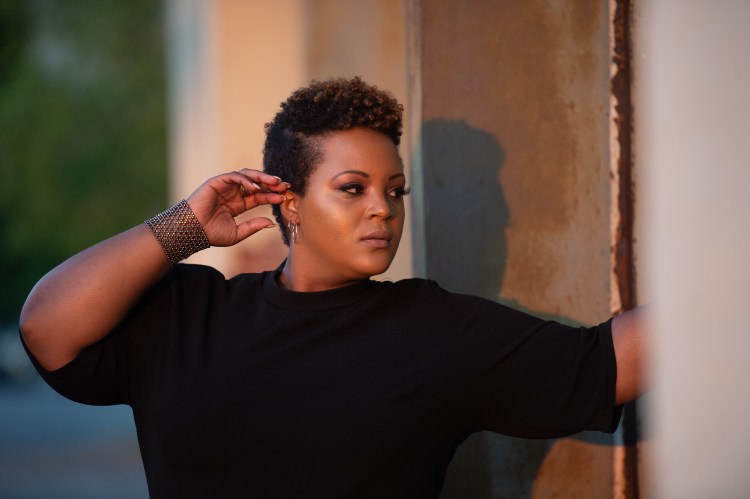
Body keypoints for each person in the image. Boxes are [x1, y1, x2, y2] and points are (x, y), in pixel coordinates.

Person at [20, 76, 645, 498]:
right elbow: (47, 329)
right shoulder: (190, 313)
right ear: (289, 202)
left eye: (395, 190)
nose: (383, 209)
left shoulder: (434, 330)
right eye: (353, 188)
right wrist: (184, 227)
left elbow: (604, 362)